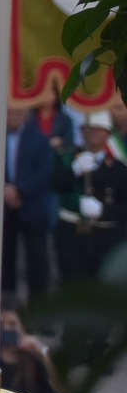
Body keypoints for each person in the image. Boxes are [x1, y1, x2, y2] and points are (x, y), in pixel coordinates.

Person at [53, 109, 125, 279]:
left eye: (98, 129)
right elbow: (54, 184)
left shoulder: (119, 168)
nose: (93, 133)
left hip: (105, 236)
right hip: (71, 233)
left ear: (108, 134)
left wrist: (103, 210)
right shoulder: (67, 158)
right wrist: (74, 171)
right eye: (88, 128)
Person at [4, 105, 59, 303]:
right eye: (9, 113)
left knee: (37, 263)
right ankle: (6, 310)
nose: (12, 117)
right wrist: (4, 190)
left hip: (32, 206)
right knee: (4, 262)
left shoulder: (39, 139)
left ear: (26, 115)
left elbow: (44, 172)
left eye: (17, 113)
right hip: (3, 208)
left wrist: (19, 190)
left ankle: (39, 313)